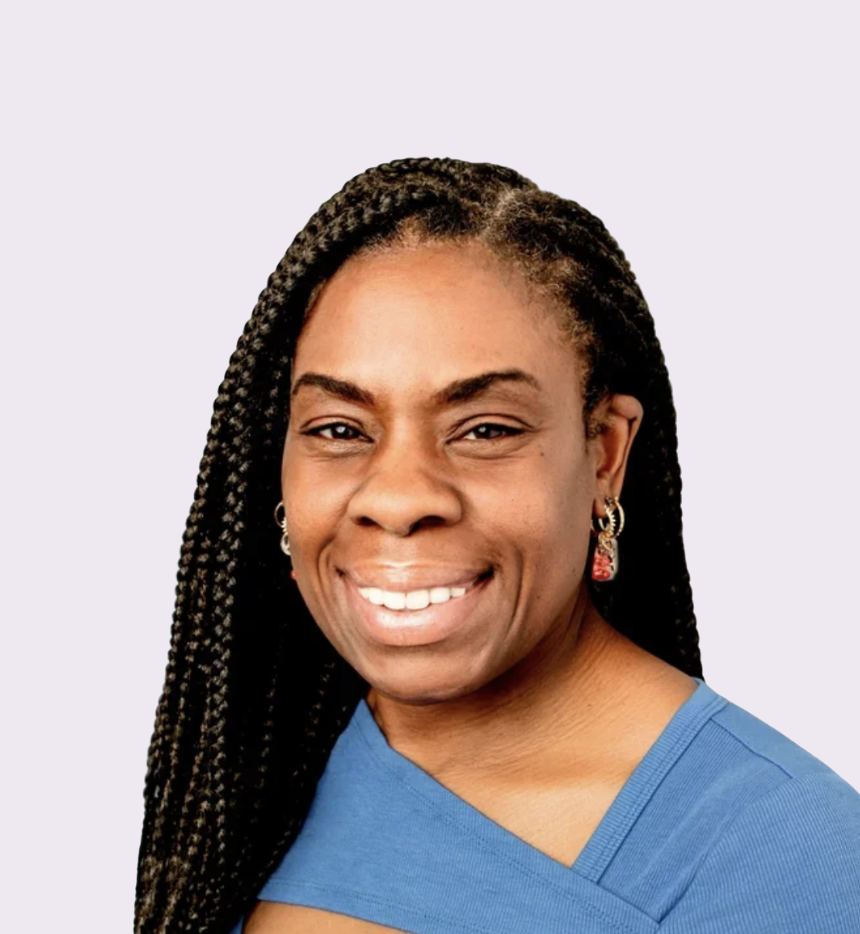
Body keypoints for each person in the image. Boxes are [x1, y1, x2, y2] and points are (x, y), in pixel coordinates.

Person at [135, 158, 860, 934]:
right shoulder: (252, 783)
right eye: (340, 430)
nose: (401, 498)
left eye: (485, 430)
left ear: (606, 455)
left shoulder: (790, 855)